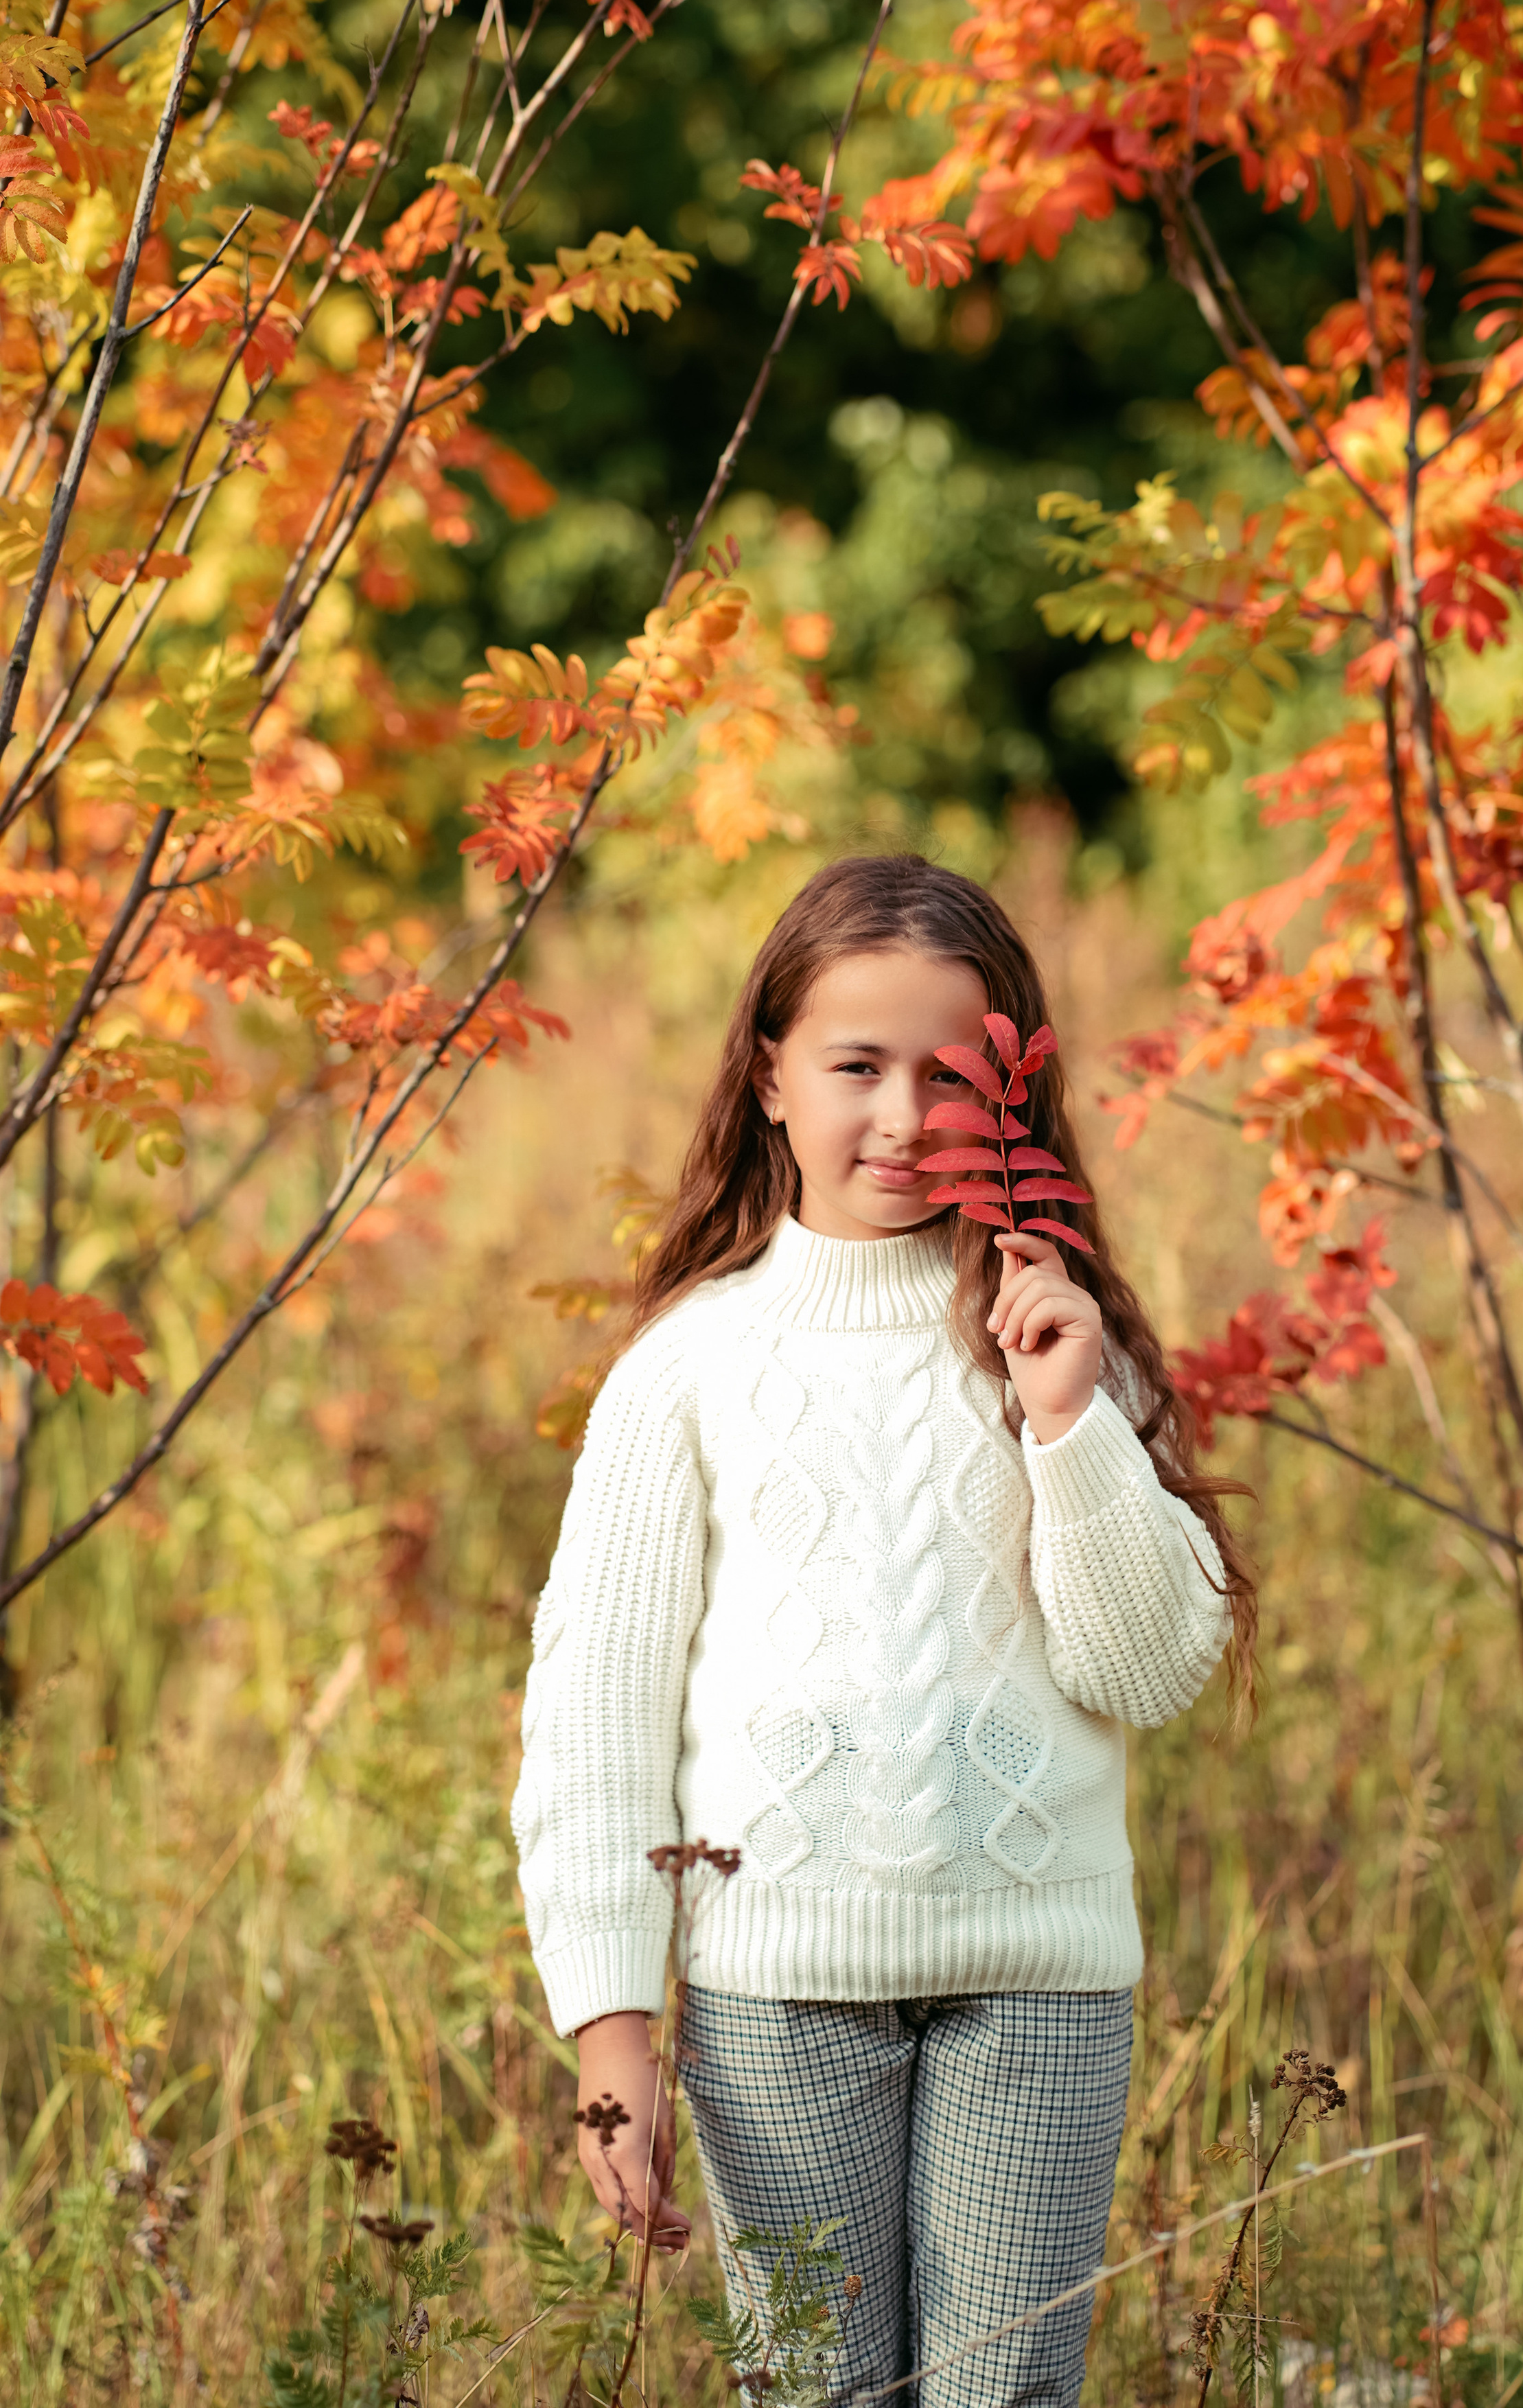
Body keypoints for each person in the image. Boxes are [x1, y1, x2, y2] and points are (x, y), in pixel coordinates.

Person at [511, 853, 1255, 2405]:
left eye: (951, 1074)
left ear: (1013, 1100)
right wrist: (610, 2034)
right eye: (858, 1066)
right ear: (770, 1075)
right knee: (816, 2393)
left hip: (1035, 1979)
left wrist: (1067, 1424)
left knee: (1000, 2392)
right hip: (774, 1990)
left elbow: (1149, 1667)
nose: (906, 1117)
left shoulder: (1053, 1336)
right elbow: (595, 1718)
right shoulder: (688, 1367)